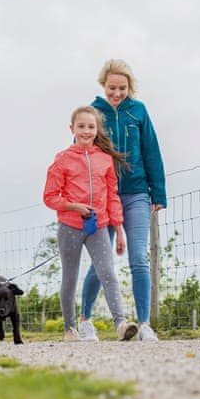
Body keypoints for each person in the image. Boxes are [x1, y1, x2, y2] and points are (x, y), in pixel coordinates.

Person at [80, 59, 166, 342]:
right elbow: (81, 155)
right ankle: (85, 320)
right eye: (111, 88)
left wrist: (158, 191)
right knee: (101, 261)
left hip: (137, 193)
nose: (117, 93)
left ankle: (144, 324)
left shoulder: (138, 111)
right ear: (103, 86)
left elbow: (151, 150)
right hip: (103, 198)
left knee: (139, 257)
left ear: (130, 88)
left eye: (122, 88)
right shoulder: (94, 113)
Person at [43, 106, 139, 342]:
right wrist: (74, 207)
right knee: (70, 277)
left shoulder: (105, 160)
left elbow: (113, 196)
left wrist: (118, 230)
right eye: (81, 126)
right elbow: (50, 196)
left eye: (91, 126)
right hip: (69, 227)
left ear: (97, 130)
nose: (86, 131)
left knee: (107, 273)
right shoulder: (62, 159)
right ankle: (69, 329)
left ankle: (121, 324)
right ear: (72, 128)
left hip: (99, 227)